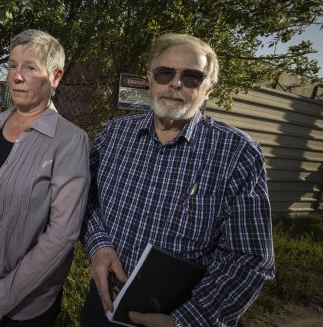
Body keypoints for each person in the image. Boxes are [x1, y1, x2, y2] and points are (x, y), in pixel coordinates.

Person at [81, 33, 275, 326]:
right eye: (165, 72)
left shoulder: (237, 153)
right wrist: (98, 245)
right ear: (149, 78)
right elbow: (87, 199)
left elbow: (250, 257)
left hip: (179, 313)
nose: (175, 83)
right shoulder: (112, 135)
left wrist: (188, 320)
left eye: (192, 77)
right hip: (104, 301)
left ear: (210, 87)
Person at [0, 29, 90, 327]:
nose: (16, 76)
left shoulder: (69, 142)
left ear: (56, 77)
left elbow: (63, 233)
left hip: (21, 308)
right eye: (12, 65)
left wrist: (3, 297)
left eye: (30, 67)